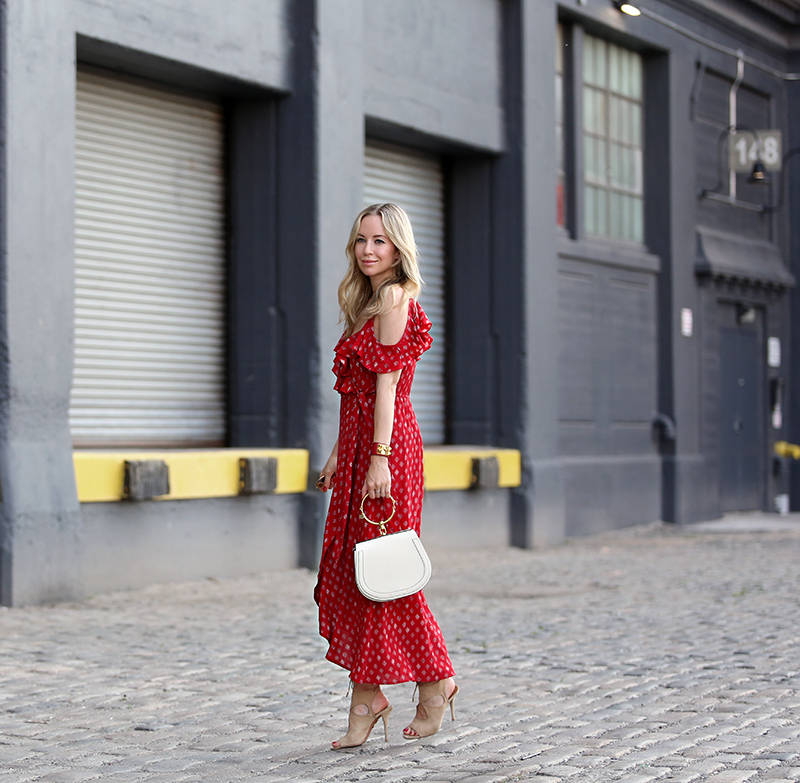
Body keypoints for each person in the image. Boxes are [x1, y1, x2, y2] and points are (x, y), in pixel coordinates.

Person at [314, 203, 458, 749]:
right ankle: (377, 695)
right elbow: (356, 394)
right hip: (360, 447)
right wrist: (338, 452)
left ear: (398, 247)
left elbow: (388, 387)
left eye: (379, 241)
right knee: (362, 575)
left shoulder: (395, 297)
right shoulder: (368, 301)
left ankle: (430, 682)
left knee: (386, 573)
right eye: (360, 241)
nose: (368, 250)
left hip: (388, 449)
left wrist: (376, 456)